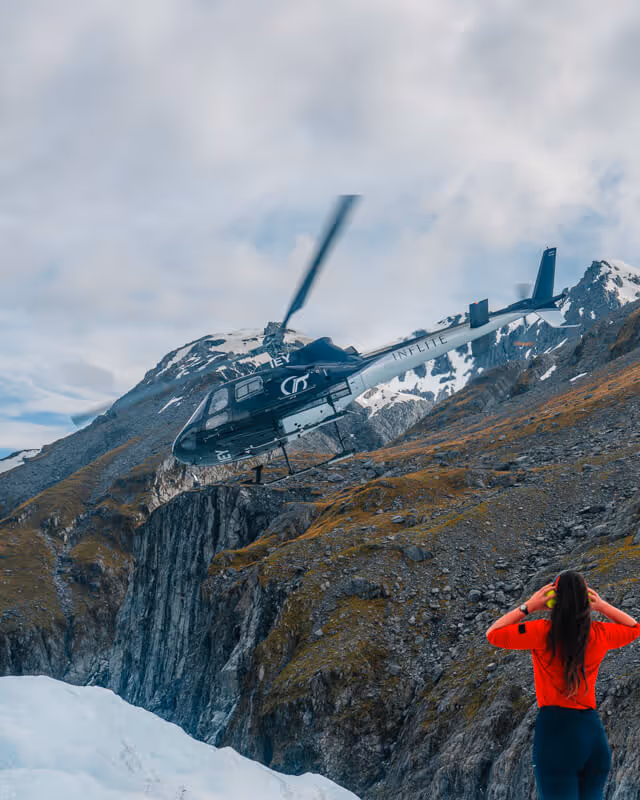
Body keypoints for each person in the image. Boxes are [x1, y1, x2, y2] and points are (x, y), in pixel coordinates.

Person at [486, 570, 640, 800]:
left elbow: (493, 634)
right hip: (592, 735)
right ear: (587, 600)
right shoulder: (599, 634)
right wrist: (602, 607)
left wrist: (528, 606)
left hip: (556, 733)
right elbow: (634, 628)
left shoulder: (541, 632)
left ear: (553, 600)